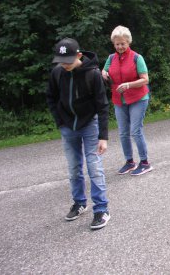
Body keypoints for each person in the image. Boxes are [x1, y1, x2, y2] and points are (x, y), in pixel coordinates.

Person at [46, 38, 111, 229]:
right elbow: (51, 98)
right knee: (74, 168)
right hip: (68, 127)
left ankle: (101, 209)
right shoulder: (57, 73)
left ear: (79, 56)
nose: (64, 64)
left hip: (90, 124)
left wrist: (103, 136)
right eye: (61, 60)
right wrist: (60, 123)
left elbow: (102, 105)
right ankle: (80, 203)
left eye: (68, 60)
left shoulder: (93, 74)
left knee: (94, 167)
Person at [102, 26, 153, 176]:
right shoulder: (111, 58)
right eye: (117, 44)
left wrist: (128, 85)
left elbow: (145, 80)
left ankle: (145, 163)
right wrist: (103, 73)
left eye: (123, 43)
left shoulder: (137, 58)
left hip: (138, 98)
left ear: (128, 42)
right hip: (119, 99)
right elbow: (105, 70)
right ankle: (130, 162)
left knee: (135, 131)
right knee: (123, 133)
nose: (120, 47)